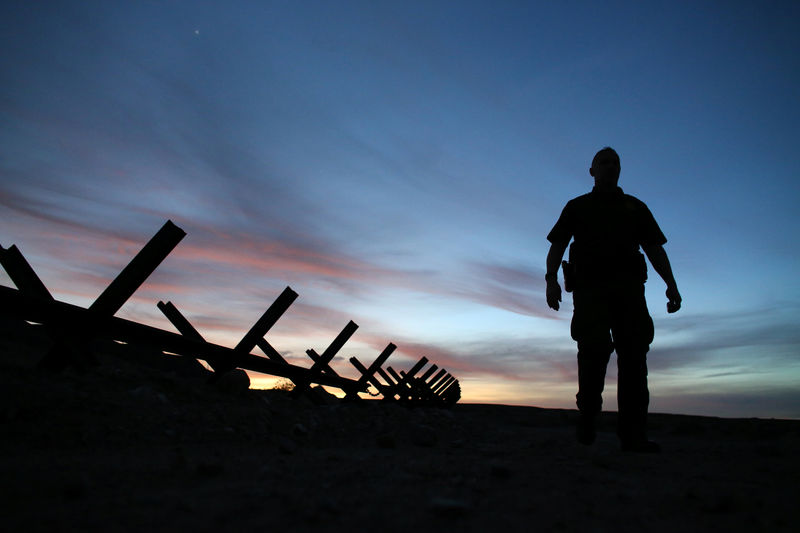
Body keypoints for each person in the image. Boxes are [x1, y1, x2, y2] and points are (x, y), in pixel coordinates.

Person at [545, 147, 681, 452]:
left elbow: (655, 249)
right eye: (604, 162)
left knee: (634, 360)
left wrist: (671, 285)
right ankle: (589, 415)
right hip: (590, 294)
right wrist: (551, 280)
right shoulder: (577, 207)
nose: (610, 167)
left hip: (629, 294)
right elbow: (557, 245)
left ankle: (633, 437)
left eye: (615, 163)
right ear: (592, 171)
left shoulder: (635, 208)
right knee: (592, 356)